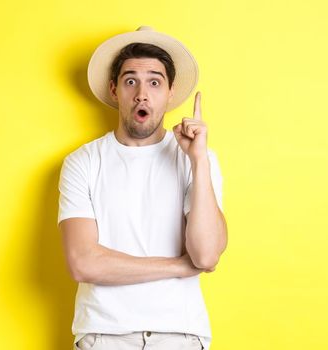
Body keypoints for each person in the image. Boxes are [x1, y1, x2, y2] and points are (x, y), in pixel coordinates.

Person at [57, 26, 227, 350]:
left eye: (154, 81)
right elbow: (82, 262)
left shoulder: (199, 161)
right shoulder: (83, 162)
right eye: (130, 80)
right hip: (105, 336)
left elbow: (205, 253)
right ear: (113, 89)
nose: (142, 94)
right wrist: (180, 265)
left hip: (181, 335)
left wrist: (199, 161)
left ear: (170, 93)